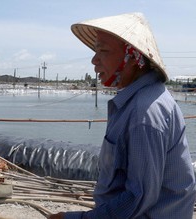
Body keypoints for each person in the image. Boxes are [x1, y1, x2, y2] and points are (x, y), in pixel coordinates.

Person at [48, 12, 196, 219]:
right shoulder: (137, 102)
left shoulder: (144, 114)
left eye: (103, 51)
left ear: (133, 58)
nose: (94, 60)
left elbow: (138, 198)